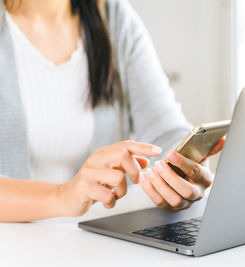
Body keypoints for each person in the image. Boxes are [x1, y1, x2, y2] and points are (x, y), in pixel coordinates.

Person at [0, 0, 225, 222]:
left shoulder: (113, 15)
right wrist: (63, 196)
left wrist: (181, 170)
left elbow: (165, 132)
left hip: (94, 239)